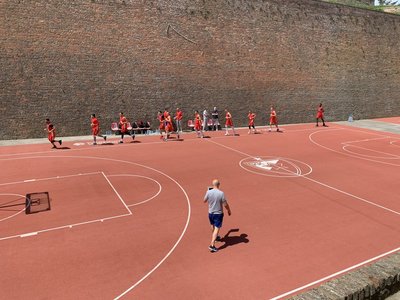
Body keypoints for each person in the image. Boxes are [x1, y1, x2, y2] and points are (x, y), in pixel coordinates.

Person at [204, 179, 231, 253]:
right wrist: (229, 210)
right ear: (219, 185)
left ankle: (215, 238)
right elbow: (225, 204)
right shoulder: (221, 193)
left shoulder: (208, 192)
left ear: (212, 185)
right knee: (217, 228)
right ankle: (212, 245)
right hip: (218, 214)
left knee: (212, 225)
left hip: (210, 213)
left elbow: (204, 200)